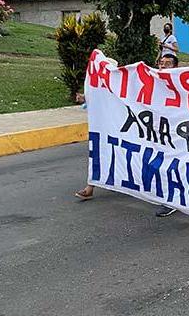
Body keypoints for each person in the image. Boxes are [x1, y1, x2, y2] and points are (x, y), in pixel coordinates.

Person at [74, 53, 181, 216]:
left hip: (165, 132)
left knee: (164, 162)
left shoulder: (178, 84)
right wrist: (85, 98)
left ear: (175, 67)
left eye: (168, 64)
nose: (163, 66)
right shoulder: (139, 83)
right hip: (133, 130)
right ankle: (92, 186)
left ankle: (171, 200)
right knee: (102, 154)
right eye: (161, 63)